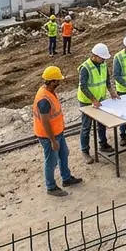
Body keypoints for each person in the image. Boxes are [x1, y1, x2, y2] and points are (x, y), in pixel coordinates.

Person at [33, 66, 82, 196]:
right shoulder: (44, 99)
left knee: (64, 153)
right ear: (52, 81)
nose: (60, 83)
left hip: (58, 133)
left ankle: (66, 178)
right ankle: (51, 187)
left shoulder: (49, 92)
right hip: (49, 136)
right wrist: (53, 141)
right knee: (51, 161)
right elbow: (45, 122)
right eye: (58, 80)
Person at [77, 42, 117, 162]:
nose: (103, 60)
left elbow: (107, 80)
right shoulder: (85, 67)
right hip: (87, 101)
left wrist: (111, 91)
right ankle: (85, 151)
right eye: (102, 58)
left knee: (101, 123)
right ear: (95, 55)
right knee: (86, 127)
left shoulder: (103, 64)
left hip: (100, 99)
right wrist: (93, 100)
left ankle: (103, 144)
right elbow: (83, 86)